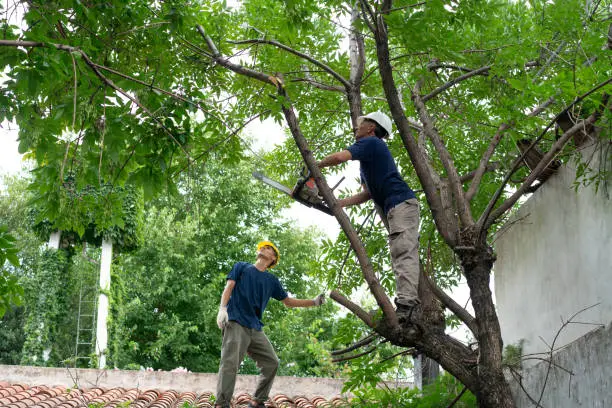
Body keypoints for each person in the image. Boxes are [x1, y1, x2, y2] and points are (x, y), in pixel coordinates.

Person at [317, 112, 420, 323]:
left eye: (360, 124)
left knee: (403, 251)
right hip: (395, 206)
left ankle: (407, 305)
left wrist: (315, 166)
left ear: (371, 128)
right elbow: (367, 194)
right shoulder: (366, 160)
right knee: (399, 252)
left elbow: (338, 157)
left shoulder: (372, 143)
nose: (356, 128)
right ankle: (406, 304)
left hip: (402, 203)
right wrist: (338, 203)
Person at [215, 241, 325, 408]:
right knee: (230, 364)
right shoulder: (242, 267)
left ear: (273, 259)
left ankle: (257, 401)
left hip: (255, 327)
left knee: (271, 362)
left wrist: (314, 302)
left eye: (268, 248)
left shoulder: (271, 280)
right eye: (262, 247)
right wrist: (223, 309)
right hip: (236, 321)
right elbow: (229, 286)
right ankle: (221, 404)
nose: (263, 249)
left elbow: (288, 301)